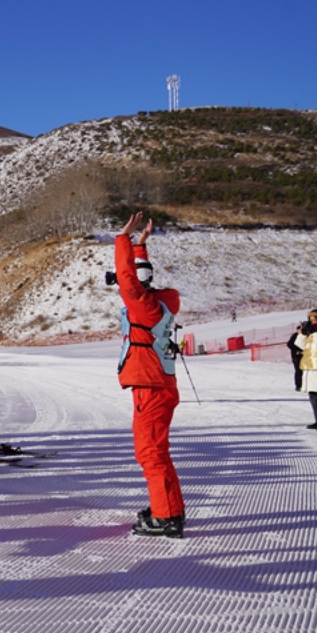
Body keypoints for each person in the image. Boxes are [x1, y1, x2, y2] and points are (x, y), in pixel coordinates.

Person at [115, 212, 185, 539]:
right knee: (157, 452)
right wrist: (140, 248)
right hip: (159, 385)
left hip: (150, 388)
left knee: (150, 453)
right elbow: (138, 279)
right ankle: (168, 508)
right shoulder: (158, 303)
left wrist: (123, 241)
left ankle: (166, 516)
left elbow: (129, 280)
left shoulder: (144, 306)